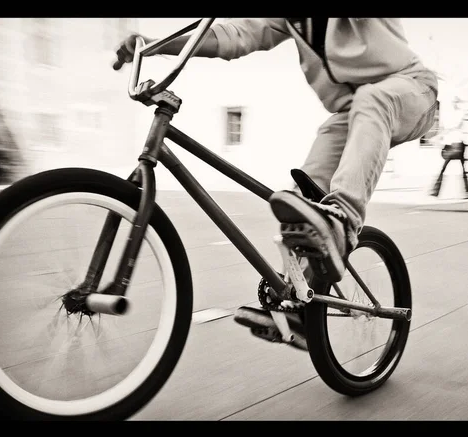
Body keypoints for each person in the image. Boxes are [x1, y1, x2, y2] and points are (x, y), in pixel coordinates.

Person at [115, 18, 438, 345]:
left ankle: (344, 220)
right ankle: (296, 306)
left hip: (411, 91)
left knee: (373, 100)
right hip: (351, 114)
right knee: (305, 200)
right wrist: (155, 45)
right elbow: (235, 36)